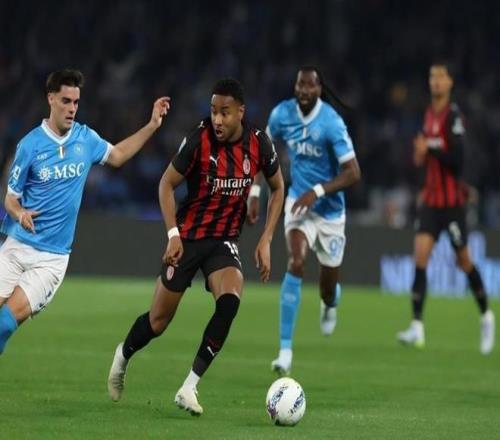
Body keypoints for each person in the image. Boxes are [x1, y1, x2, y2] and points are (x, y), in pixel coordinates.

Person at [107, 78, 284, 415]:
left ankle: (189, 387)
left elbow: (278, 187)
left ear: (241, 113)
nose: (217, 119)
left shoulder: (259, 142)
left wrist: (267, 237)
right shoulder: (199, 140)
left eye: (224, 112)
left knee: (230, 301)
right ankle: (123, 354)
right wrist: (173, 234)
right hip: (187, 238)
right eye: (214, 111)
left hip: (223, 241)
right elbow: (166, 184)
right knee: (158, 322)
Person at [0, 68, 170, 355]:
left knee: (4, 323)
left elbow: (117, 155)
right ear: (51, 99)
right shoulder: (29, 145)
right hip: (16, 247)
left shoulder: (85, 139)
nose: (72, 108)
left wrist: (152, 125)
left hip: (51, 259)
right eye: (66, 101)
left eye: (76, 102)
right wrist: (20, 215)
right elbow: (10, 199)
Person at [248, 66, 361, 375]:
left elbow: (353, 172)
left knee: (327, 290)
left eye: (310, 86)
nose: (304, 90)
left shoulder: (331, 123)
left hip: (330, 213)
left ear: (319, 89)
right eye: (300, 84)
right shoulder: (282, 115)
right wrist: (255, 191)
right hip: (298, 202)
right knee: (295, 262)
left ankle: (331, 301)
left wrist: (318, 191)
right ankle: (285, 351)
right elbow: (263, 152)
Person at [397, 61, 495, 354]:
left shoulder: (453, 117)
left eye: (441, 77)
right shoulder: (428, 114)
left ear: (450, 83)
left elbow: (458, 160)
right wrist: (420, 156)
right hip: (431, 202)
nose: (436, 81)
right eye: (432, 76)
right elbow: (427, 158)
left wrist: (431, 149)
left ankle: (486, 316)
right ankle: (417, 327)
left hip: (452, 205)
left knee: (464, 261)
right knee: (420, 257)